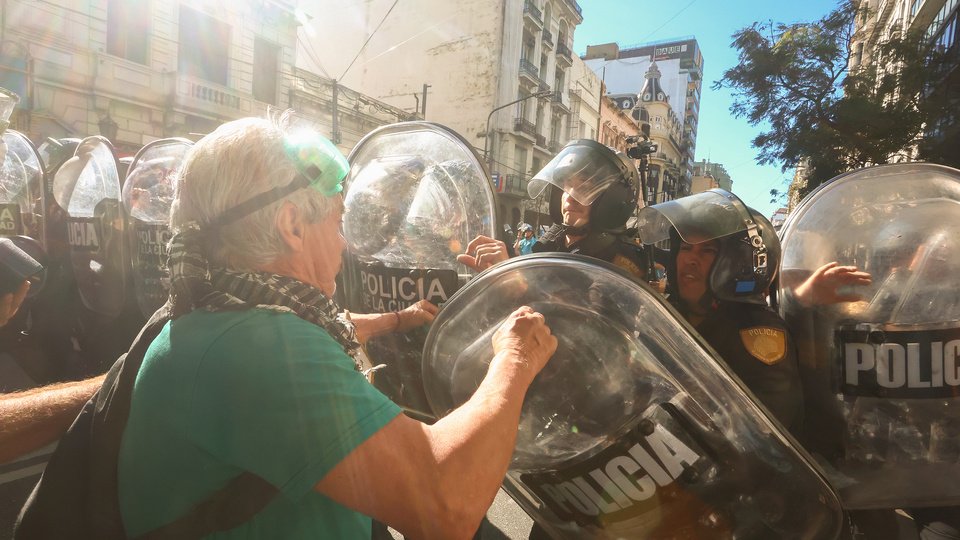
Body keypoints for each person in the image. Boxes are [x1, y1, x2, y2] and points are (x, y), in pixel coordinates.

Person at [113, 115, 556, 539]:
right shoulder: (261, 346)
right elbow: (446, 503)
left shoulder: (217, 312)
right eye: (336, 220)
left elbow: (338, 327)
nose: (343, 243)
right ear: (292, 225)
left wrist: (400, 319)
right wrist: (516, 356)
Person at [638, 190, 804, 433]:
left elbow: (765, 432)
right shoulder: (664, 312)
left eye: (707, 251)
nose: (690, 260)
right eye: (686, 248)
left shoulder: (757, 332)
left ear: (740, 265)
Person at [460, 140, 647, 280]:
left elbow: (583, 320)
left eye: (584, 188)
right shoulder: (553, 239)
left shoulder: (624, 260)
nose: (570, 197)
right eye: (566, 186)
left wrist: (513, 281)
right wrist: (503, 267)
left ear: (613, 200)